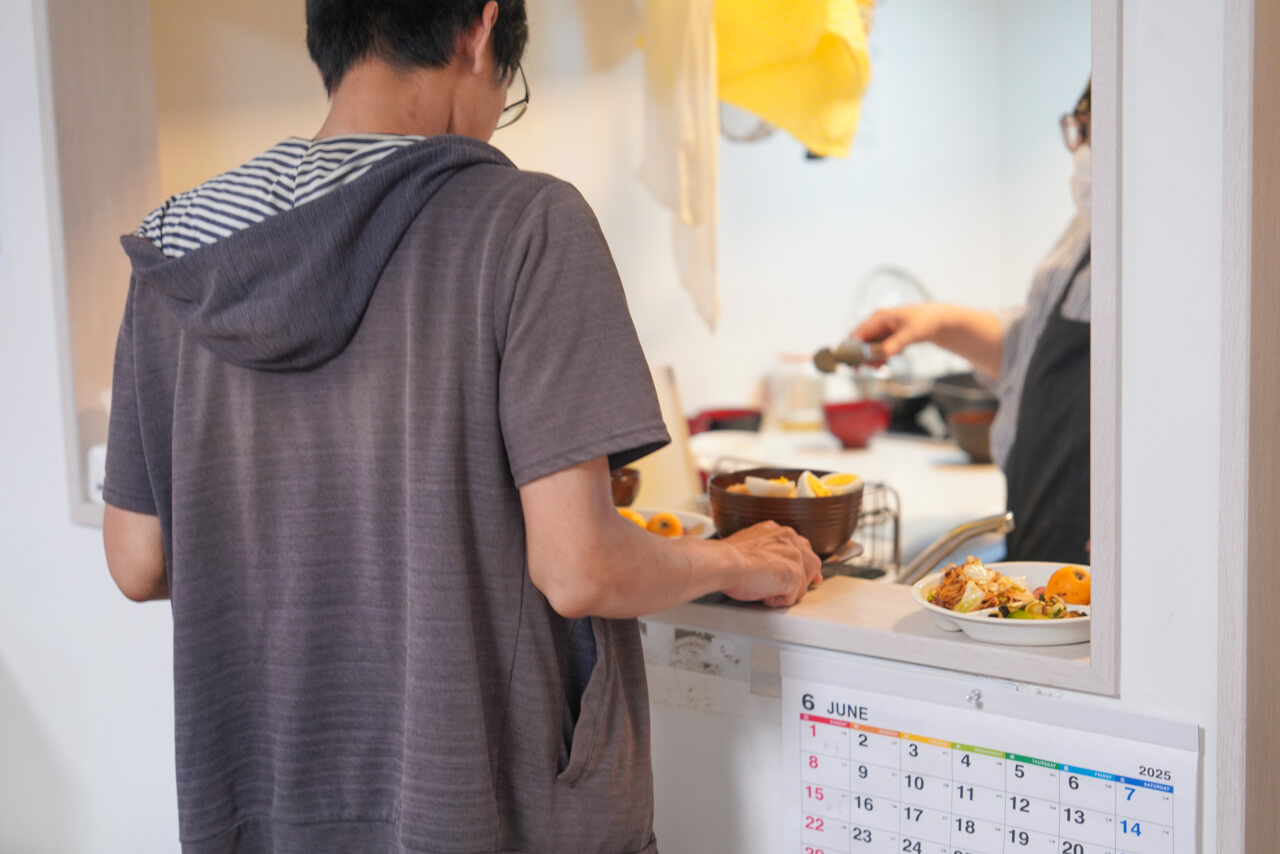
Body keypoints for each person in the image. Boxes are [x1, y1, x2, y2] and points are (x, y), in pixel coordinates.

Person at [100, 3, 821, 852]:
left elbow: (138, 561)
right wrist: (730, 560)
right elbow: (580, 567)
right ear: (479, 31)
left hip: (266, 809)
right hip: (483, 808)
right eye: (506, 92)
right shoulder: (525, 223)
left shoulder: (179, 259)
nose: (493, 121)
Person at [855, 82, 1092, 565]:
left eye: (1095, 131)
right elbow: (1032, 351)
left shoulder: (1181, 237)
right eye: (1080, 130)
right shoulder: (1086, 225)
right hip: (1036, 520)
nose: (1083, 151)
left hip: (1096, 540)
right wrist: (934, 322)